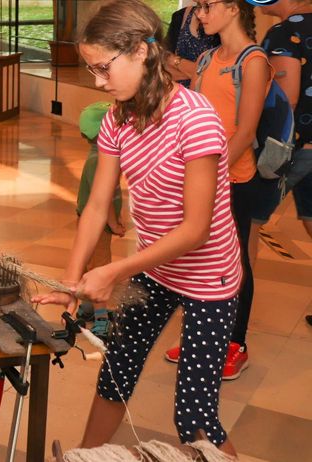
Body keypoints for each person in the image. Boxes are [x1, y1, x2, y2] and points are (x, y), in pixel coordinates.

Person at [32, 0, 241, 455]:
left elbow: (195, 231)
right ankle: (87, 454)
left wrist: (115, 270)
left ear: (141, 52)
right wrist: (71, 282)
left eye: (104, 68)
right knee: (116, 371)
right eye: (93, 70)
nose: (98, 81)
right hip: (156, 268)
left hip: (209, 278)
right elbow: (94, 208)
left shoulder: (196, 119)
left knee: (195, 411)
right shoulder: (116, 119)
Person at [163, 0, 270, 380]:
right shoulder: (208, 58)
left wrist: (213, 171)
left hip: (234, 178)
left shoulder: (254, 61)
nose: (200, 14)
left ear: (233, 8)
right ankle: (200, 338)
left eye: (207, 6)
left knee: (235, 260)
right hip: (203, 176)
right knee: (198, 259)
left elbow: (245, 130)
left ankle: (234, 344)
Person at [255, 0, 312, 241]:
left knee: (247, 220)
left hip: (296, 147)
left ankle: (240, 279)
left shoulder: (284, 33)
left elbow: (285, 102)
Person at [75, 101, 126, 339]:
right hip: (99, 225)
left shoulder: (97, 157)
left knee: (92, 262)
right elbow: (102, 201)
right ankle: (101, 319)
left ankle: (86, 306)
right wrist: (114, 223)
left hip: (90, 219)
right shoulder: (100, 163)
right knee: (101, 267)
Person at [164, 1, 221, 87]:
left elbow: (218, 77)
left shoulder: (223, 24)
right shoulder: (181, 16)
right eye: (199, 6)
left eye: (207, 6)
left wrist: (176, 61)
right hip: (176, 93)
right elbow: (163, 60)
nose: (200, 14)